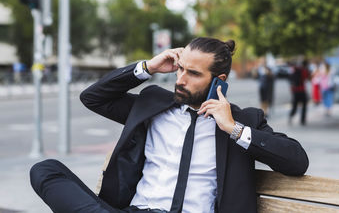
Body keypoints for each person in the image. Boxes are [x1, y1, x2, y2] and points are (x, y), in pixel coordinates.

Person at [30, 37, 309, 213]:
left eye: (193, 73)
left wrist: (234, 129)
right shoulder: (153, 103)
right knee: (45, 170)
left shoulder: (242, 120)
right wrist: (147, 68)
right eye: (181, 69)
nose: (180, 79)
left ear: (219, 80)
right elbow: (92, 97)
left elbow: (297, 161)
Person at [288, 60, 310, 125]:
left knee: (294, 106)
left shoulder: (294, 70)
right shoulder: (304, 71)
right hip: (302, 90)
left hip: (295, 91)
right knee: (304, 106)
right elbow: (307, 78)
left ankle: (291, 115)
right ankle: (302, 120)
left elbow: (290, 79)